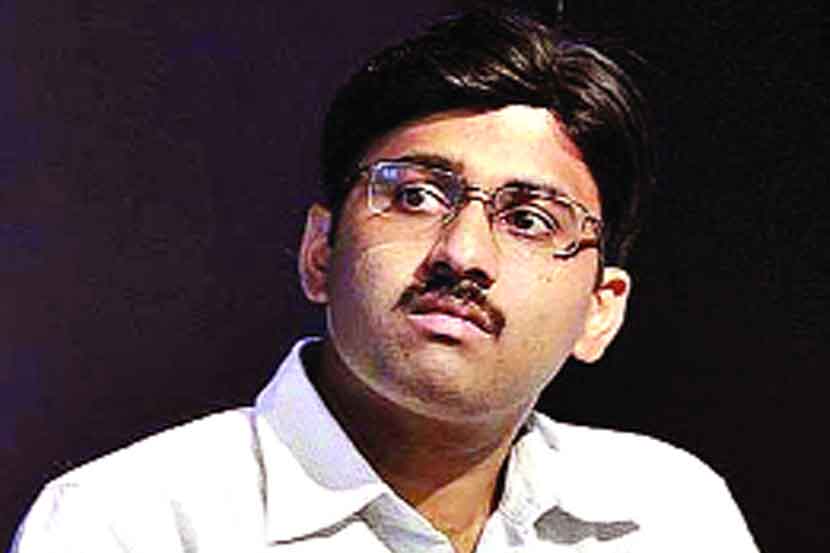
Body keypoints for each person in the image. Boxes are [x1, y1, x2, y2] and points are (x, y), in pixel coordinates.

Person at [11, 9, 760, 553]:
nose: (462, 252)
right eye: (415, 196)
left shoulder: (667, 514)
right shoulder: (133, 524)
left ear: (600, 311)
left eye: (530, 218)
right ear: (319, 251)